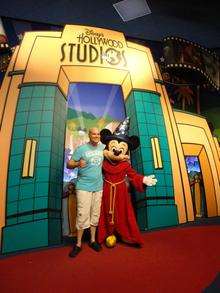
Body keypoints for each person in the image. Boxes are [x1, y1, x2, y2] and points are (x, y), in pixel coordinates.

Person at [67, 127, 105, 257]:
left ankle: (93, 240)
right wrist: (77, 164)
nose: (96, 136)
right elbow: (69, 164)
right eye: (94, 134)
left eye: (98, 134)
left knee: (95, 214)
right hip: (83, 187)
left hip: (98, 187)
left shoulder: (103, 148)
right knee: (82, 215)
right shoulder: (82, 149)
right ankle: (78, 244)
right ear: (89, 135)